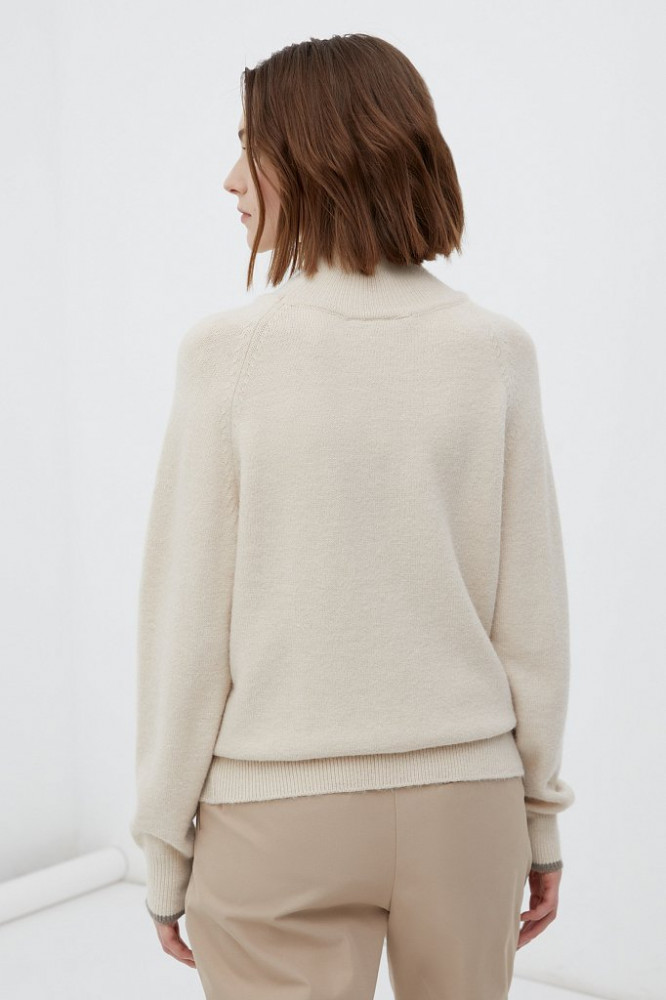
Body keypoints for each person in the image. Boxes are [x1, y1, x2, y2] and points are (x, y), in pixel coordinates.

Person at [129, 32, 575, 999]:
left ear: (313, 155)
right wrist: (538, 818)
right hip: (470, 806)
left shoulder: (229, 356)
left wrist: (163, 843)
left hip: (276, 815)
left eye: (249, 147)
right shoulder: (497, 351)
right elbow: (531, 619)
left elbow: (186, 626)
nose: (229, 179)